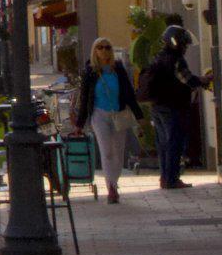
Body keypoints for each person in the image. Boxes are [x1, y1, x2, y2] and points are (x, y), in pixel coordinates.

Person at [72, 36, 144, 203]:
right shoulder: (90, 72)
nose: (104, 50)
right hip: (99, 115)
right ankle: (111, 187)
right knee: (107, 152)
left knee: (118, 153)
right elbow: (85, 99)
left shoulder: (118, 69)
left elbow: (129, 93)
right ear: (95, 51)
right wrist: (80, 124)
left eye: (107, 47)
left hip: (119, 114)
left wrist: (139, 116)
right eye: (100, 47)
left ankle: (114, 182)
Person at [141, 25, 213, 189]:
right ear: (178, 43)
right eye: (184, 44)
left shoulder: (159, 57)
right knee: (175, 143)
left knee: (163, 145)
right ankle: (172, 179)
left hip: (157, 107)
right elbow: (188, 80)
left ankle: (165, 178)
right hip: (173, 107)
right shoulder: (176, 60)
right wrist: (204, 80)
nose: (185, 48)